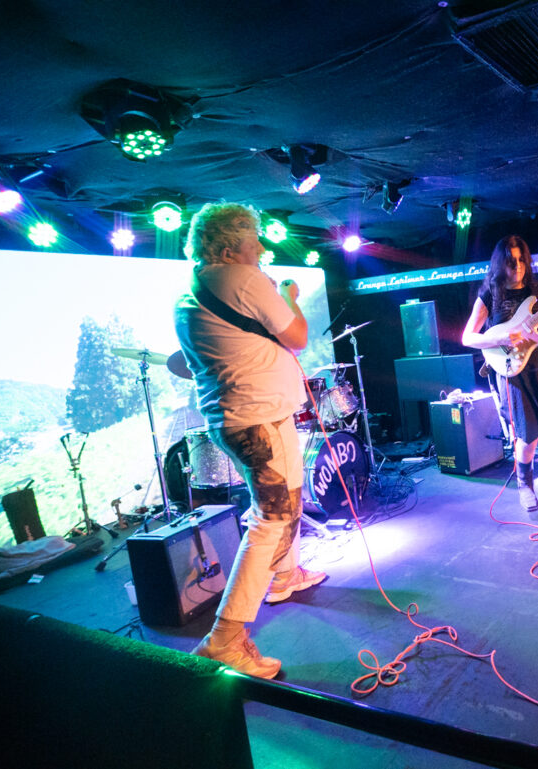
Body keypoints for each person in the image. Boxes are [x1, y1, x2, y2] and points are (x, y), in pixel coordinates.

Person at [174, 202, 326, 678]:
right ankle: (224, 639)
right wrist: (289, 295)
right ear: (228, 246)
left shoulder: (191, 292)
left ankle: (285, 575)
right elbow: (297, 336)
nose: (260, 247)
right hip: (260, 421)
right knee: (272, 518)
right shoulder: (241, 279)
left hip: (246, 421)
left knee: (287, 504)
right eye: (253, 239)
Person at [462, 235, 538, 521]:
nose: (518, 266)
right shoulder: (490, 295)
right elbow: (467, 337)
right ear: (501, 264)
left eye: (522, 259)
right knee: (527, 436)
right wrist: (500, 337)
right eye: (512, 262)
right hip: (513, 373)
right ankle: (525, 485)